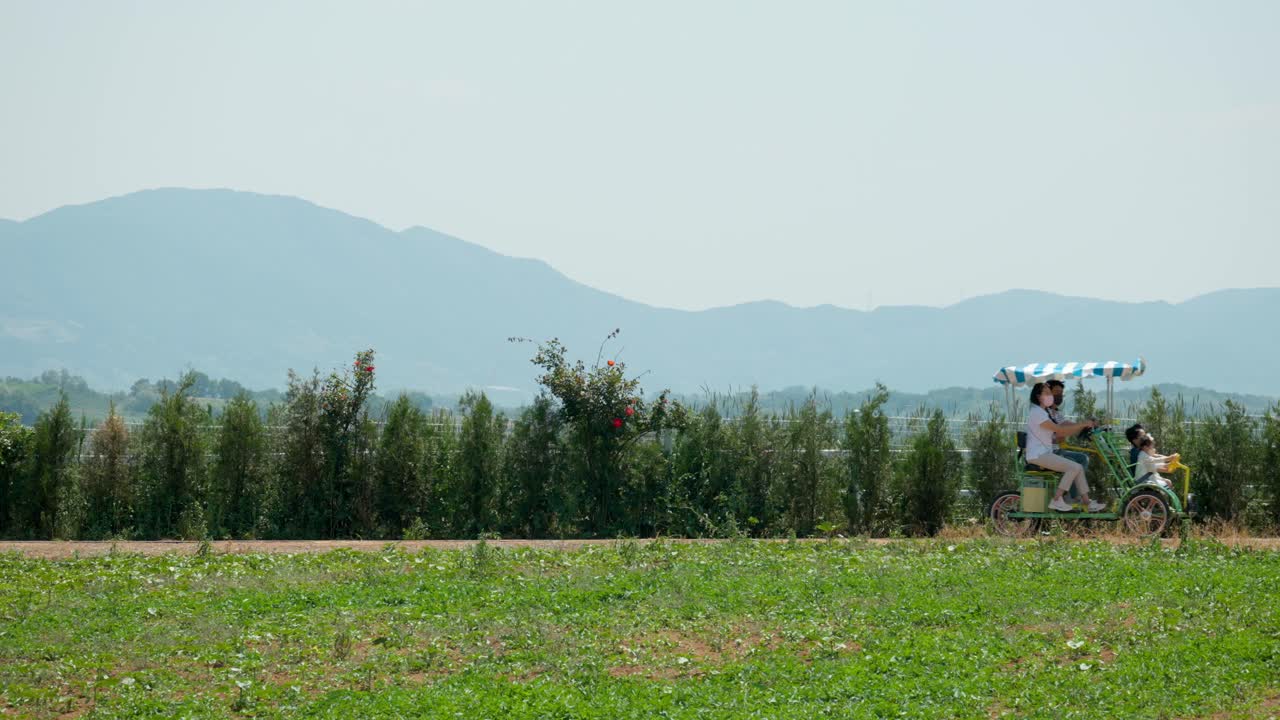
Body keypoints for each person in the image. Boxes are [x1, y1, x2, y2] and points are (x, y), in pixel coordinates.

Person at [1025, 382, 1106, 513]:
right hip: (1038, 455)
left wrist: (1083, 426)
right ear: (1038, 396)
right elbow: (1060, 431)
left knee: (1078, 467)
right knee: (1074, 467)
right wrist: (1082, 425)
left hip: (1044, 453)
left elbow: (1064, 428)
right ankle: (1057, 499)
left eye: (1050, 393)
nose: (1050, 396)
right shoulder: (1037, 413)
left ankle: (1087, 502)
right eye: (1047, 393)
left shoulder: (1043, 412)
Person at [1046, 380, 1091, 498]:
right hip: (1048, 452)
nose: (1059, 395)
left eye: (1061, 393)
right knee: (1075, 462)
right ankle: (1072, 497)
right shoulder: (1045, 413)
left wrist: (1085, 427)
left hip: (1057, 450)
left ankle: (1073, 495)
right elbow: (1056, 434)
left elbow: (1067, 426)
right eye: (1056, 392)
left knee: (1083, 458)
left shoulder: (1057, 414)